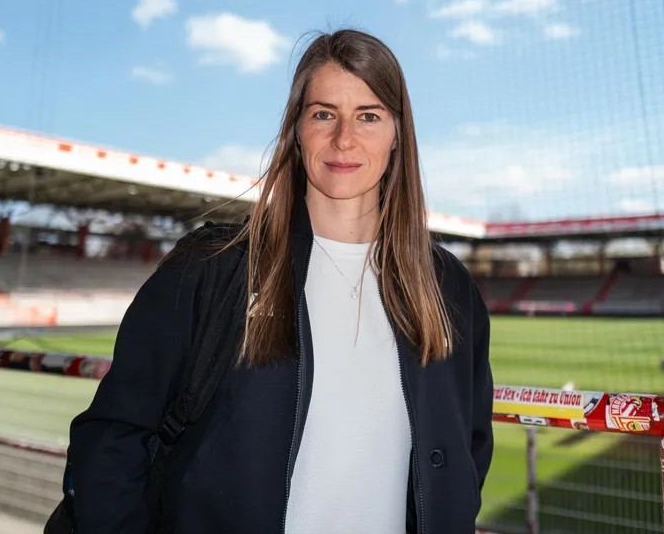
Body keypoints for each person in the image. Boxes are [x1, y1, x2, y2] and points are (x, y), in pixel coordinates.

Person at [67, 29, 493, 534]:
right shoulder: (215, 266)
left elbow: (468, 450)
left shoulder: (449, 288)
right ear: (296, 129)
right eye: (323, 114)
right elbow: (114, 438)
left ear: (399, 133)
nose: (344, 139)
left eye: (369, 116)